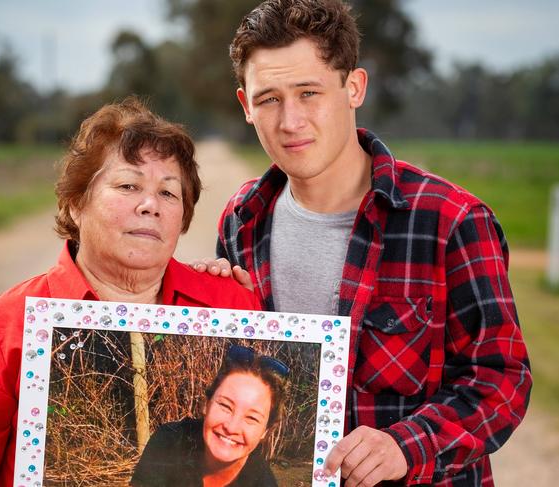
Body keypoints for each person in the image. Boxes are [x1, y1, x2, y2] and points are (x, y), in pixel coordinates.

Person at [193, 0, 532, 485]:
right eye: (269, 99)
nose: (290, 121)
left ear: (353, 88)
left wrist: (405, 445)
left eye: (309, 92)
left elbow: (502, 379)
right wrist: (208, 302)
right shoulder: (241, 219)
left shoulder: (450, 221)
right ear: (246, 105)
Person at [0, 98, 261, 487]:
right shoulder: (1, 329)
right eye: (129, 186)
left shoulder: (231, 306)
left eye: (169, 193)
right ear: (76, 204)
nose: (150, 205)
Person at [131, 344, 288, 487]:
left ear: (265, 431)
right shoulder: (170, 441)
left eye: (252, 418)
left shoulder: (262, 482)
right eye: (225, 406)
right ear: (206, 404)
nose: (231, 427)